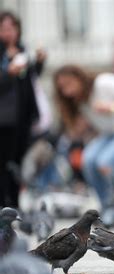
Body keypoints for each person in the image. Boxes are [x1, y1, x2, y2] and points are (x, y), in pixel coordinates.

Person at [53, 65, 114, 210]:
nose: (67, 91)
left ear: (79, 78)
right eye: (62, 88)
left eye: (69, 84)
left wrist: (112, 107)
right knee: (88, 160)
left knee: (107, 162)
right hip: (111, 135)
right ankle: (107, 206)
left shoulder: (103, 82)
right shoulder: (80, 102)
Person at [0, 11, 46, 207]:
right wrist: (8, 73)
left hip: (22, 117)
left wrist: (40, 62)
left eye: (12, 28)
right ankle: (4, 206)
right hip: (3, 120)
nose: (8, 33)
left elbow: (31, 77)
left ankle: (14, 206)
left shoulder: (22, 50)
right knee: (3, 164)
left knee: (17, 164)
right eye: (3, 28)